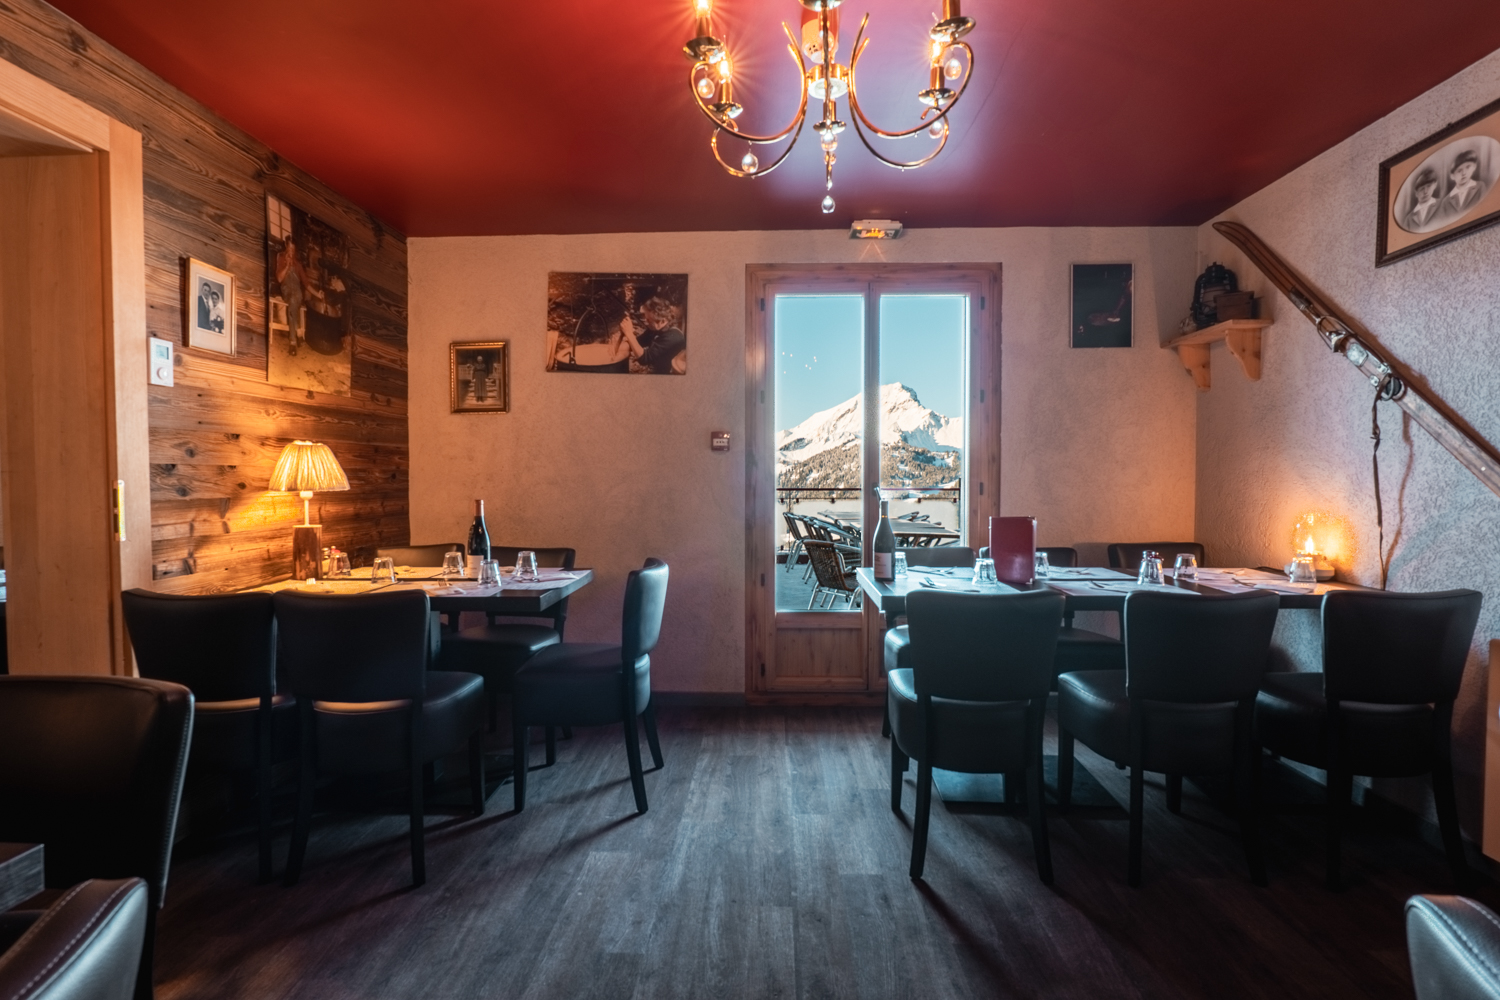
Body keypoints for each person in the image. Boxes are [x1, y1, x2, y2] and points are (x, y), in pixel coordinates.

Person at [621, 289, 686, 374]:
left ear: (662, 321)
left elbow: (644, 359)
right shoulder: (657, 328)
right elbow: (640, 341)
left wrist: (629, 334)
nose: (646, 322)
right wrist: (620, 346)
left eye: (649, 320)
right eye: (646, 318)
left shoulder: (672, 338)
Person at [274, 238, 308, 356]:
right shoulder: (281, 257)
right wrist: (287, 266)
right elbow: (279, 279)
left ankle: (293, 341)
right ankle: (297, 336)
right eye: (289, 249)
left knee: (296, 299)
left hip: (297, 293)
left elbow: (306, 283)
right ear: (285, 245)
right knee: (293, 301)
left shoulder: (298, 264)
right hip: (287, 291)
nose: (291, 252)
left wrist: (318, 293)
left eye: (293, 250)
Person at [1440, 151, 1485, 219]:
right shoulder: (1446, 202)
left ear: (1474, 167)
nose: (1464, 173)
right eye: (1459, 170)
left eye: (1467, 167)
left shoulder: (1480, 187)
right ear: (1452, 176)